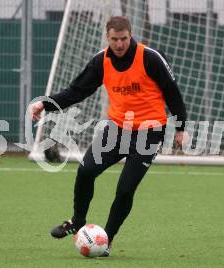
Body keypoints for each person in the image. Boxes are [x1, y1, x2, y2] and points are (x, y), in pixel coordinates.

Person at [30, 16, 187, 257]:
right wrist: (45, 103)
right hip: (116, 130)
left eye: (124, 39)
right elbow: (76, 91)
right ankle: (77, 222)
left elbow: (171, 91)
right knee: (86, 171)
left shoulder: (150, 57)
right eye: (115, 39)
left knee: (125, 190)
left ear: (130, 35)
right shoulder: (101, 61)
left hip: (149, 133)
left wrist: (180, 127)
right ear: (108, 37)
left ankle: (106, 240)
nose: (120, 44)